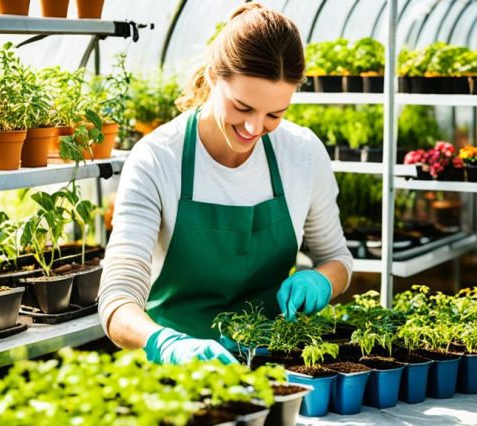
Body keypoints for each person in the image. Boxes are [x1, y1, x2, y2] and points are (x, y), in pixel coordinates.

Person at [98, 3, 353, 365]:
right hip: (177, 372)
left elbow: (337, 259)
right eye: (242, 107)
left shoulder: (302, 153)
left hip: (275, 366)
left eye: (275, 114)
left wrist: (322, 281)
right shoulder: (158, 158)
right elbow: (117, 298)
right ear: (215, 76)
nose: (254, 127)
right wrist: (165, 344)